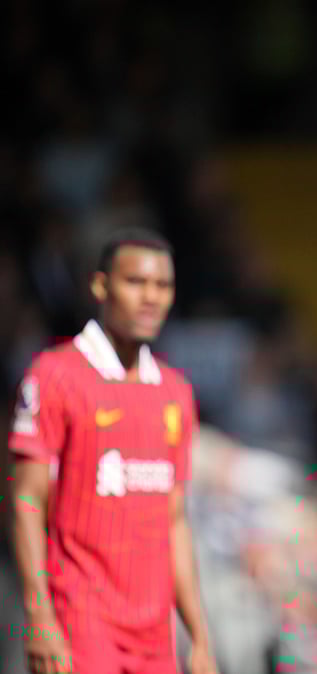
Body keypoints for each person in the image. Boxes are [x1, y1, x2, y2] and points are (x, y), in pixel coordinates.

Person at [8, 227, 217, 674]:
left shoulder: (175, 392)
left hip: (154, 633)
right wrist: (39, 616)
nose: (151, 298)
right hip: (80, 624)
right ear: (101, 285)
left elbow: (174, 519)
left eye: (163, 286)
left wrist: (199, 635)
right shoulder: (55, 375)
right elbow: (26, 502)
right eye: (135, 282)